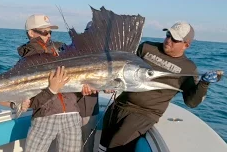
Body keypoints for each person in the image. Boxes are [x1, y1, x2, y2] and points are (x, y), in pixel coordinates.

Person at [98, 22, 222, 151]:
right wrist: (109, 82)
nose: (168, 40)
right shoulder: (146, 47)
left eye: (175, 39)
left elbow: (191, 102)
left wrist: (204, 84)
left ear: (186, 45)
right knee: (102, 144)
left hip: (144, 113)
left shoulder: (188, 68)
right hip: (120, 103)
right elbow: (120, 66)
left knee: (116, 145)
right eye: (168, 35)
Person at [18, 14, 89, 152]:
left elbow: (74, 82)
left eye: (50, 31)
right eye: (44, 32)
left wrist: (84, 89)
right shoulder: (26, 62)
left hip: (72, 115)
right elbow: (30, 102)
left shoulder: (63, 50)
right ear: (31, 33)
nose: (48, 35)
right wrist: (51, 90)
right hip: (44, 117)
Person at [77, 21, 99, 152]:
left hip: (90, 110)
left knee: (87, 147)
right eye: (89, 33)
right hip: (70, 110)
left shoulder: (103, 55)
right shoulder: (71, 51)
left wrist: (110, 86)